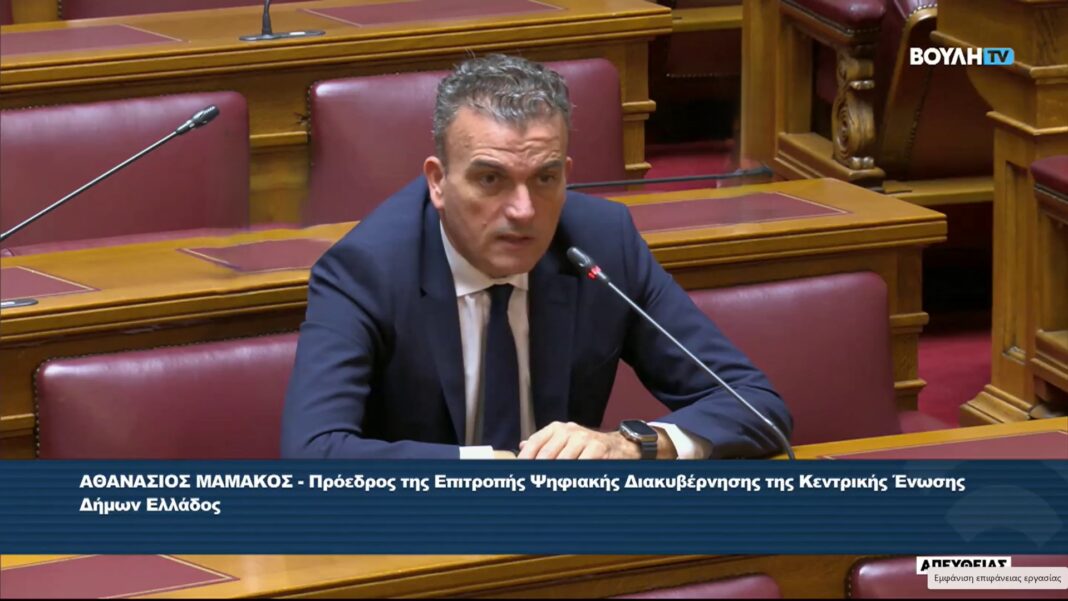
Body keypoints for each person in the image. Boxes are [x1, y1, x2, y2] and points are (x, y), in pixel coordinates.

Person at [281, 54, 791, 460]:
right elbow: (313, 452)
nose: (523, 211)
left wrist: (630, 444)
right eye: (491, 179)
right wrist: (483, 470)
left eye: (545, 178)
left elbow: (755, 404)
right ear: (438, 182)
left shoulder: (601, 245)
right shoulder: (365, 270)